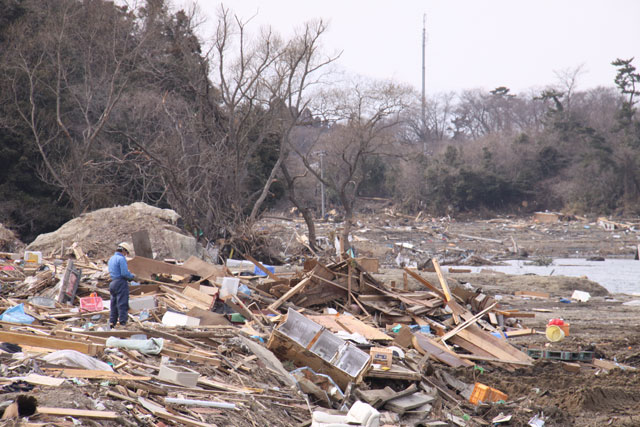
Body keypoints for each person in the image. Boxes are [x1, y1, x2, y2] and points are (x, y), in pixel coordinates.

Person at [107, 242, 135, 328]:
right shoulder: (121, 259)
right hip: (120, 282)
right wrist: (132, 277)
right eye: (126, 253)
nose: (126, 255)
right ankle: (123, 322)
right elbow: (124, 273)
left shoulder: (111, 259)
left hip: (113, 283)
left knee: (114, 304)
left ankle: (112, 322)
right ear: (123, 251)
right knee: (122, 303)